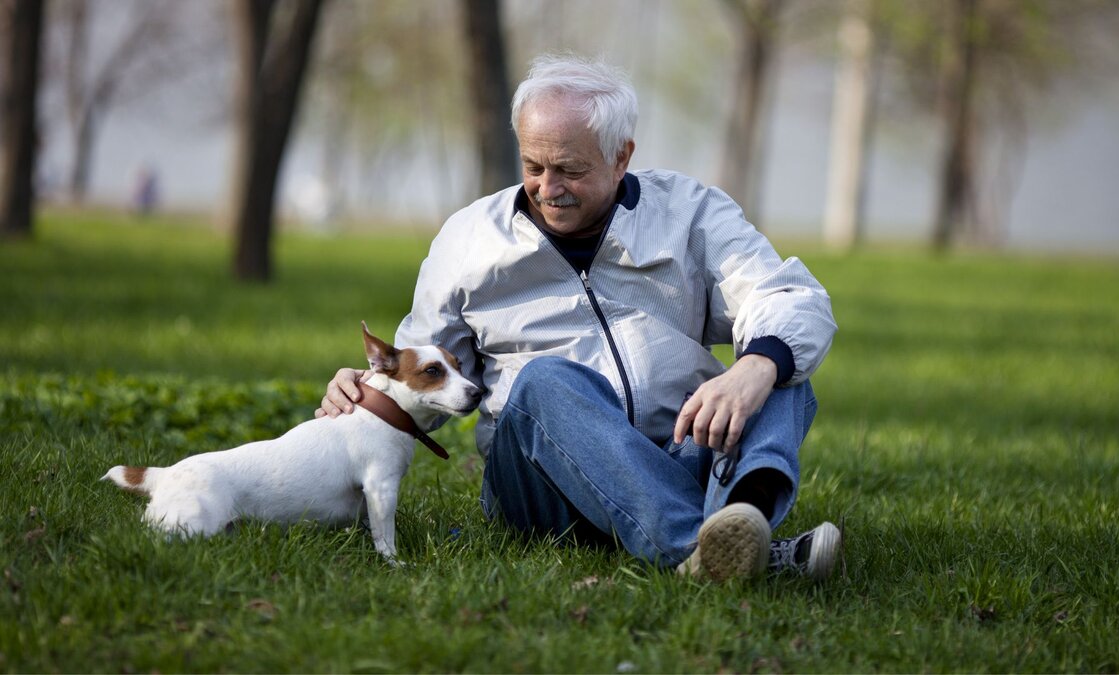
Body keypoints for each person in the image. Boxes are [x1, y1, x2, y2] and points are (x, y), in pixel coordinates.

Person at [317, 54, 840, 581]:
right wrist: (363, 390)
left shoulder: (690, 211)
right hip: (542, 488)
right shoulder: (468, 239)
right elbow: (420, 364)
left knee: (781, 360)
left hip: (682, 448)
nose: (548, 188)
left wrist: (756, 367)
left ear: (621, 157)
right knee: (545, 380)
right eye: (533, 167)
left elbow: (790, 296)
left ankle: (735, 528)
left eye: (570, 169)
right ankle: (696, 549)